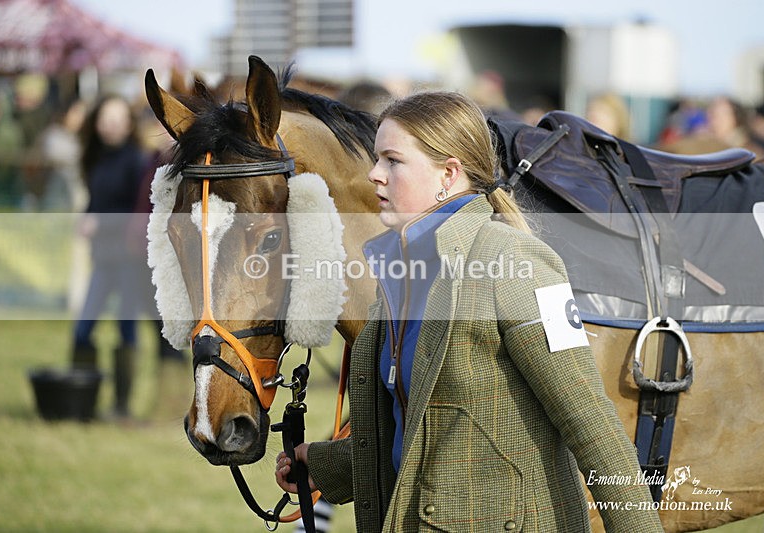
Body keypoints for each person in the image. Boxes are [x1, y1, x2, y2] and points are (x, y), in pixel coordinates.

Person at [275, 91, 664, 531]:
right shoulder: (398, 275)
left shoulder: (517, 261)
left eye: (392, 161)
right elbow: (422, 431)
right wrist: (322, 464)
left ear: (449, 174)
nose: (374, 175)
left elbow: (593, 427)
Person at [70, 94, 148, 421]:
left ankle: (121, 407)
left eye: (118, 118)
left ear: (128, 124)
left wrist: (98, 221)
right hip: (102, 259)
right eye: (106, 118)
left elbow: (136, 212)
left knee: (126, 331)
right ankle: (79, 402)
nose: (111, 124)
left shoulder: (137, 161)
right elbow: (96, 200)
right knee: (83, 328)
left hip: (128, 261)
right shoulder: (96, 157)